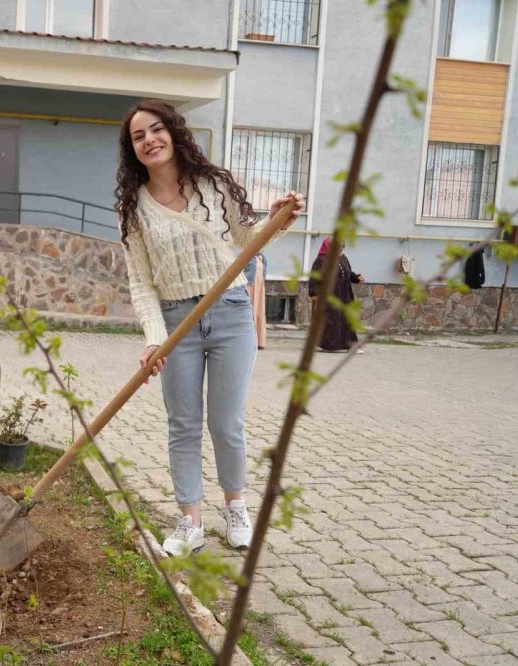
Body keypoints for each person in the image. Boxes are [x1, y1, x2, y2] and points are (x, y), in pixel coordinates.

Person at [116, 100, 303, 555]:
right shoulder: (135, 211)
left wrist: (277, 221)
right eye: (139, 136)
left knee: (226, 423)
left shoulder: (213, 185)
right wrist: (154, 338)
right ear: (132, 149)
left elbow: (247, 243)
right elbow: (141, 284)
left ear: (173, 133)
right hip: (177, 322)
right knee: (182, 424)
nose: (149, 140)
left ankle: (236, 507)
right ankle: (190, 522)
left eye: (156, 130)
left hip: (231, 311)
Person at [308, 238, 365, 353]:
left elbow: (348, 273)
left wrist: (357, 278)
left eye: (342, 247)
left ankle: (351, 345)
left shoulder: (343, 258)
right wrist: (314, 293)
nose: (341, 249)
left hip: (345, 295)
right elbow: (314, 277)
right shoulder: (321, 260)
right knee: (330, 320)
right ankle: (328, 345)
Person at [243, 252, 268, 350]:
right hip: (250, 285)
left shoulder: (263, 257)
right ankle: (248, 339)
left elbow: (263, 273)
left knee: (259, 311)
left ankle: (260, 341)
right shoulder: (246, 254)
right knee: (250, 310)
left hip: (260, 286)